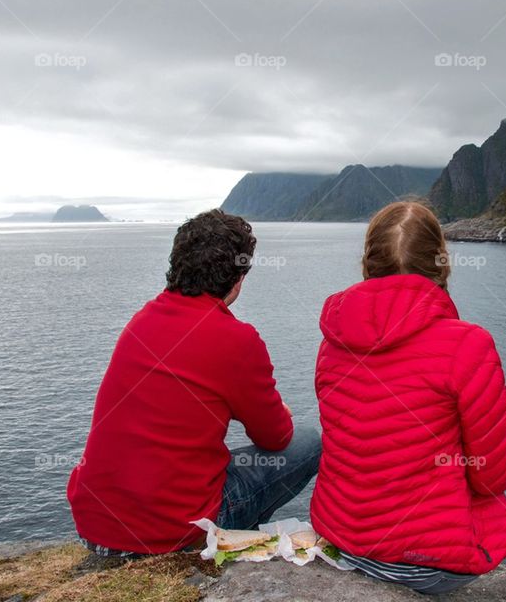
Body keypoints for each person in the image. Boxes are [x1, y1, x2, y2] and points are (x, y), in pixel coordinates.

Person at [310, 201, 506, 595]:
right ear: (442, 264)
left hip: (349, 545)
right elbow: (492, 478)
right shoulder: (466, 344)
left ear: (369, 264)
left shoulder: (334, 344)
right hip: (429, 566)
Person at [67, 209, 320, 556]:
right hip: (169, 536)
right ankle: (221, 544)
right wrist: (279, 413)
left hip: (96, 529)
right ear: (239, 278)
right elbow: (276, 437)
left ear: (177, 264)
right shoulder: (237, 340)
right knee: (309, 441)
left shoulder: (142, 320)